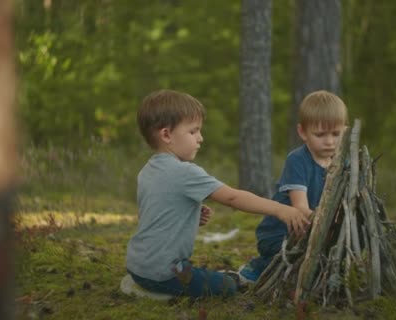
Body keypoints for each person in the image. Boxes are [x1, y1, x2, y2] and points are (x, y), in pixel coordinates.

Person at [125, 89, 311, 298]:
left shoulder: (147, 171)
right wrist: (279, 209)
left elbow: (152, 217)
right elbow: (232, 197)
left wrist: (188, 215)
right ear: (166, 134)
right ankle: (151, 291)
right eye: (193, 131)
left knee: (212, 278)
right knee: (227, 287)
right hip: (163, 272)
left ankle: (140, 281)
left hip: (138, 263)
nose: (200, 138)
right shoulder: (185, 172)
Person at [238, 90, 348, 283]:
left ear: (345, 131)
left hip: (316, 232)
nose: (329, 141)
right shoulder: (298, 160)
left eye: (336, 134)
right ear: (302, 132)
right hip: (281, 234)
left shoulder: (344, 165)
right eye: (320, 134)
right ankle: (258, 268)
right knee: (288, 259)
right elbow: (301, 209)